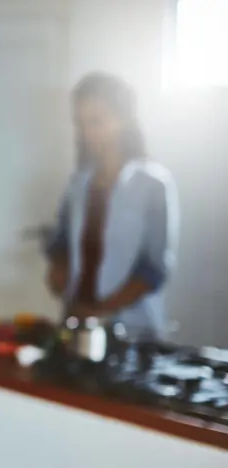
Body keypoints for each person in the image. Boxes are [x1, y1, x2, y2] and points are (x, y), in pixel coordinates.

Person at [45, 72, 179, 342]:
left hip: (132, 331)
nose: (87, 133)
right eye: (80, 123)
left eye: (97, 122)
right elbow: (61, 241)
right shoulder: (79, 183)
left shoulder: (153, 184)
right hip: (77, 326)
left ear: (123, 120)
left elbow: (154, 267)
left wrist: (100, 311)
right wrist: (58, 270)